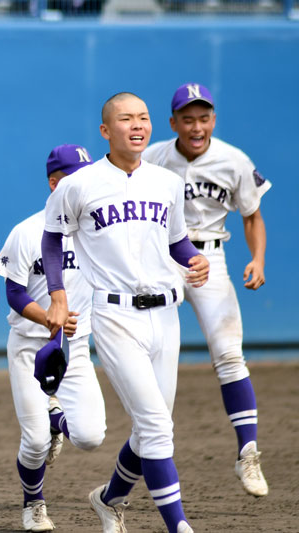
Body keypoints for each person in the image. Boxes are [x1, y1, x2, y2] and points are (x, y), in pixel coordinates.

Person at [43, 92, 209, 533]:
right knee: (155, 425)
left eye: (144, 118)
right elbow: (52, 238)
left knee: (152, 424)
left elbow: (176, 241)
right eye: (126, 118)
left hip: (167, 315)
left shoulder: (166, 182)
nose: (137, 125)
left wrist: (195, 258)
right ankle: (179, 526)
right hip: (115, 317)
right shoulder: (80, 184)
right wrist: (58, 294)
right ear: (105, 131)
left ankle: (110, 498)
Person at [144, 83, 270, 497]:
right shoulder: (153, 156)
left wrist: (257, 259)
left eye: (203, 117)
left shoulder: (233, 161)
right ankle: (149, 446)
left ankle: (247, 453)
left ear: (213, 120)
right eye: (187, 118)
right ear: (173, 123)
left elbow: (251, 215)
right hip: (161, 258)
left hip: (210, 255)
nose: (196, 126)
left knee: (229, 353)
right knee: (153, 356)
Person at [0, 144, 106, 532]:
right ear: (54, 183)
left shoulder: (99, 233)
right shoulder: (27, 232)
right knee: (35, 442)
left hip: (75, 351)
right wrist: (50, 318)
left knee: (91, 437)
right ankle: (34, 504)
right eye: (75, 177)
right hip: (30, 347)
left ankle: (55, 417)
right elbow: (12, 293)